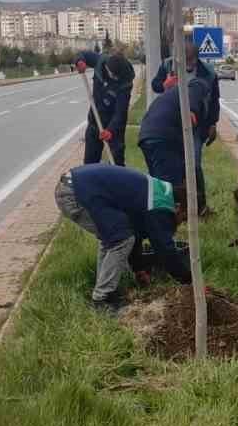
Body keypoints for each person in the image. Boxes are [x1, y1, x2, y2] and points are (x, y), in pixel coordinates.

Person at [54, 163, 190, 310]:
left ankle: (105, 290)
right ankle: (102, 299)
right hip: (75, 194)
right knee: (120, 239)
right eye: (183, 217)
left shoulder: (161, 193)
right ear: (177, 207)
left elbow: (135, 231)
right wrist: (188, 281)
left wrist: (138, 268)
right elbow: (165, 249)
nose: (181, 222)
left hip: (77, 187)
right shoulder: (159, 205)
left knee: (114, 238)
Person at [152, 41, 220, 212]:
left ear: (196, 57)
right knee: (171, 165)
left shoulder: (208, 73)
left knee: (194, 164)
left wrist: (213, 123)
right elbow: (155, 85)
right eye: (184, 58)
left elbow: (214, 102)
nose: (187, 64)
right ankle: (170, 205)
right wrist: (164, 85)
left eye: (190, 60)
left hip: (197, 125)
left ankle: (201, 206)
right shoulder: (168, 65)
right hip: (171, 124)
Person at [137, 71, 210, 186]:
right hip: (163, 139)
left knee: (158, 184)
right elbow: (195, 93)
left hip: (146, 137)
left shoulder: (172, 94)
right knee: (169, 188)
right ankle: (170, 203)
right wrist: (192, 110)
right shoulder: (195, 88)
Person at [75, 49, 135, 166]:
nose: (114, 78)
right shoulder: (100, 61)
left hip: (114, 128)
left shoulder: (125, 83)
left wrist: (110, 130)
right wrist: (80, 61)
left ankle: (117, 181)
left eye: (117, 77)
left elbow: (120, 112)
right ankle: (91, 182)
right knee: (90, 164)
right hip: (94, 123)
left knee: (116, 163)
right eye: (112, 75)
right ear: (107, 68)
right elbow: (82, 54)